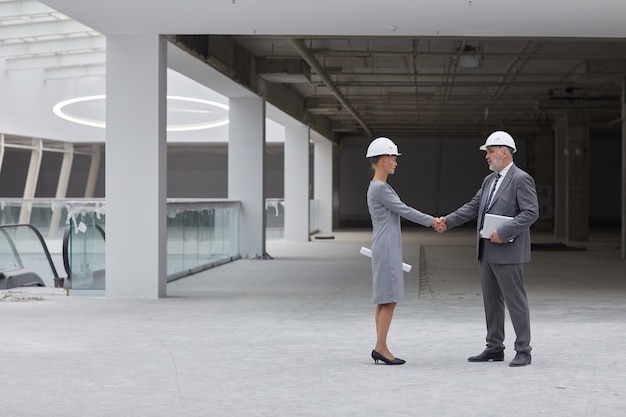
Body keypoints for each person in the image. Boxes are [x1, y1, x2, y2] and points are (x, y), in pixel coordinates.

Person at [435, 131, 539, 367]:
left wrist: (504, 232)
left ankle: (523, 349)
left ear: (504, 152)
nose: (487, 156)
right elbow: (473, 206)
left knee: (515, 301)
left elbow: (531, 213)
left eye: (490, 151)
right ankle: (494, 347)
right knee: (492, 301)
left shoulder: (521, 179)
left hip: (508, 250)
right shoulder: (489, 181)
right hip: (487, 251)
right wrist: (447, 221)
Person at [366, 137, 438, 365]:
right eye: (393, 157)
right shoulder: (381, 189)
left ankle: (380, 345)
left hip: (384, 245)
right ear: (382, 160)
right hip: (386, 248)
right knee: (389, 299)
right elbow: (404, 210)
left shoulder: (376, 186)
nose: (396, 161)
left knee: (383, 299)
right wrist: (432, 221)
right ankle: (381, 347)